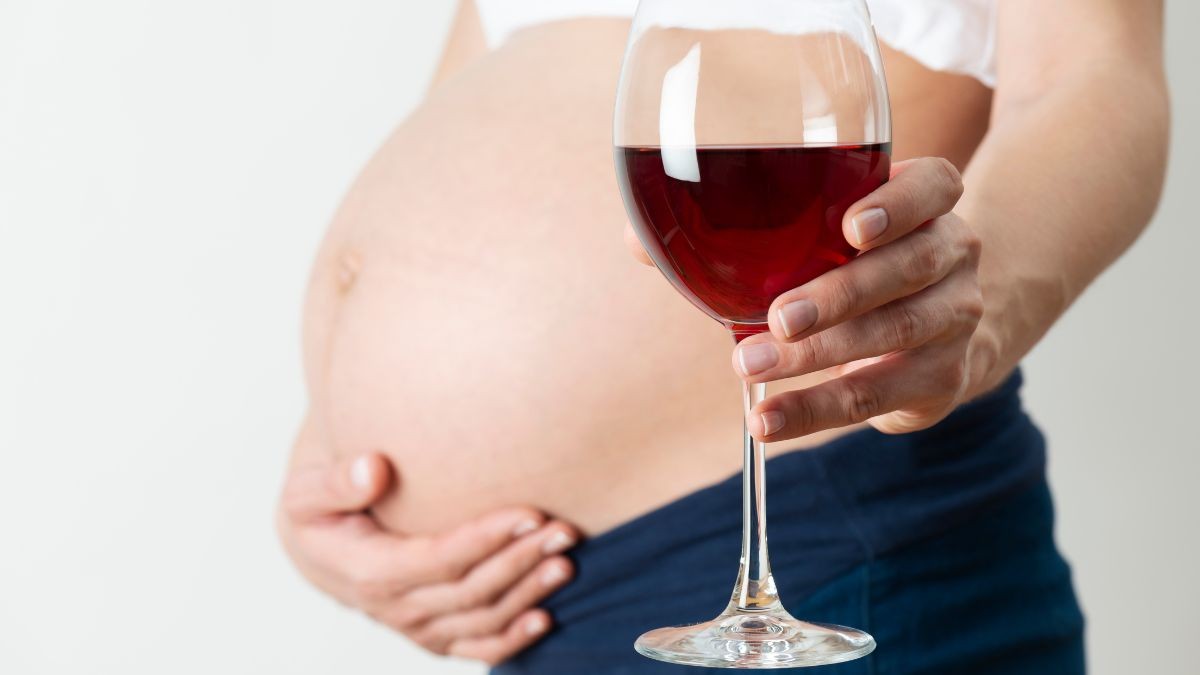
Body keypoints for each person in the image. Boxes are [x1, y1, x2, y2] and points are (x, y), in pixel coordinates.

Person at [275, 0, 1169, 672]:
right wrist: (338, 453)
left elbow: (1097, 77)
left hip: (831, 555)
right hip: (548, 610)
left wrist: (970, 322)